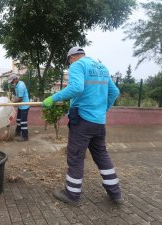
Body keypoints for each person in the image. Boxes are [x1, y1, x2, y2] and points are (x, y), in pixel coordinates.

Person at [43, 47, 123, 206]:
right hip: (99, 122)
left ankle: (72, 194)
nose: (70, 64)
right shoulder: (101, 67)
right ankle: (116, 194)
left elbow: (76, 88)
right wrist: (103, 109)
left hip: (83, 120)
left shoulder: (77, 65)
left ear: (71, 58)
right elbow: (115, 92)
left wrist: (53, 98)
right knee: (101, 155)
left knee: (76, 156)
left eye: (69, 61)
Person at [8, 74, 30, 141]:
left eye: (12, 81)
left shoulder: (20, 86)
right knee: (18, 120)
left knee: (23, 121)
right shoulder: (17, 84)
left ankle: (25, 137)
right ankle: (18, 132)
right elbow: (17, 95)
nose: (11, 83)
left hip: (25, 106)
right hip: (21, 106)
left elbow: (20, 98)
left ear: (15, 79)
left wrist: (12, 103)